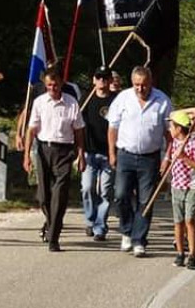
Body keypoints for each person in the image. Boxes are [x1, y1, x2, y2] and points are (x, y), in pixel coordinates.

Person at [108, 66, 172, 257]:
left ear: (150, 83)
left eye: (144, 85)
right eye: (136, 85)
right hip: (125, 154)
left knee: (146, 201)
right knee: (120, 195)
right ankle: (126, 231)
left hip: (150, 158)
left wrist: (167, 157)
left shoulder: (162, 101)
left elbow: (171, 134)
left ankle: (139, 239)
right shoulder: (123, 99)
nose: (140, 89)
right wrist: (111, 153)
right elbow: (112, 128)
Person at [25, 67, 85, 252]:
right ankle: (51, 223)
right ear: (45, 85)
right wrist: (26, 154)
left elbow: (79, 130)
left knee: (59, 195)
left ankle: (53, 237)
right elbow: (31, 130)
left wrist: (81, 153)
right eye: (49, 85)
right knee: (43, 197)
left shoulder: (71, 103)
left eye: (56, 85)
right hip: (44, 149)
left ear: (61, 83)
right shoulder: (39, 102)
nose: (53, 88)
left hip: (64, 151)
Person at [160, 109, 195, 269]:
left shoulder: (192, 144)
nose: (169, 129)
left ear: (179, 128)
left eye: (172, 126)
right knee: (178, 222)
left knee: (189, 220)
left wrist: (184, 158)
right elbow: (169, 157)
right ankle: (180, 253)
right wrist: (167, 162)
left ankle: (192, 255)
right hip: (177, 186)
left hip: (191, 186)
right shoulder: (173, 144)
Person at [81, 66, 116, 242]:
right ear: (93, 79)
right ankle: (90, 219)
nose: (102, 80)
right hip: (89, 152)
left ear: (110, 80)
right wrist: (77, 152)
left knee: (105, 191)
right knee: (87, 188)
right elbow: (77, 126)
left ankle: (100, 227)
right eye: (99, 77)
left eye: (105, 77)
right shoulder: (86, 100)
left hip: (109, 153)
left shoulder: (116, 101)